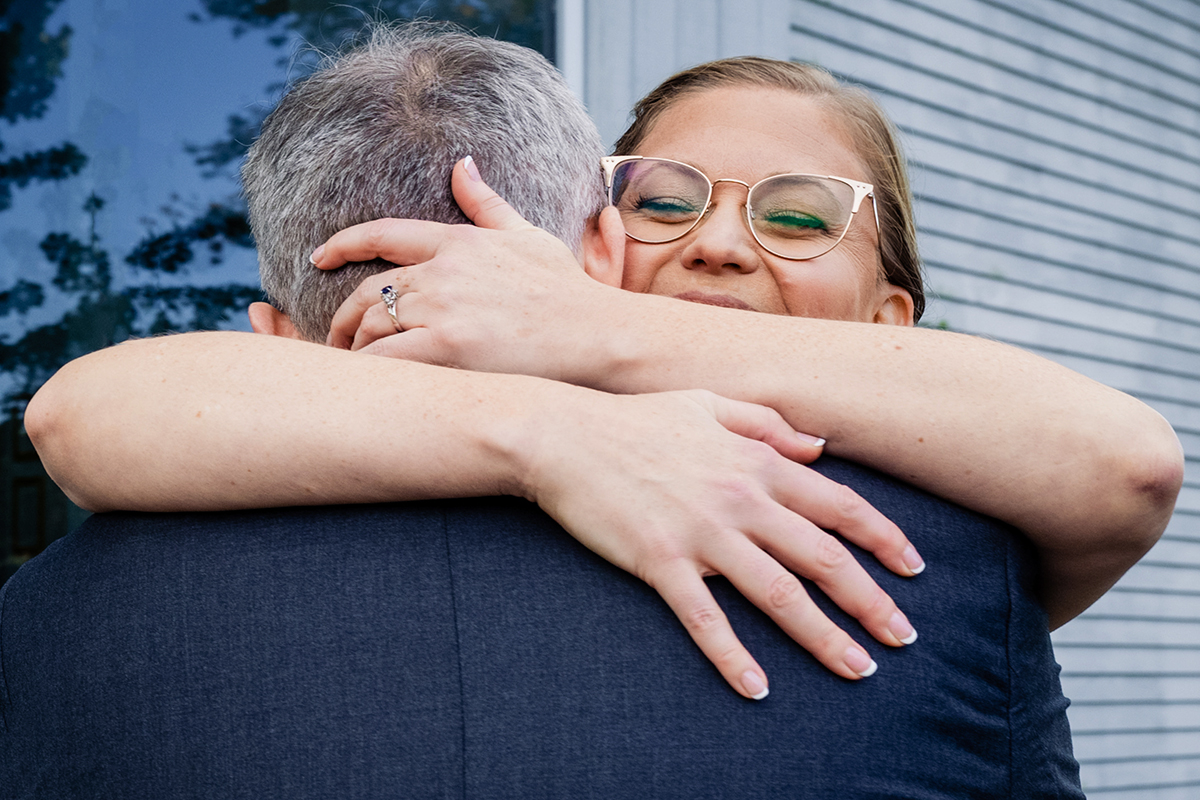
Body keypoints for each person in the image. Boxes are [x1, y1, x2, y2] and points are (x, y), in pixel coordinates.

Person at [5, 25, 1084, 796]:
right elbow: (79, 410)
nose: (715, 244)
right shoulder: (957, 586)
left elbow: (1119, 460)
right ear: (602, 246)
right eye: (662, 197)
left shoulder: (942, 557)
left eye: (800, 216)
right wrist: (549, 428)